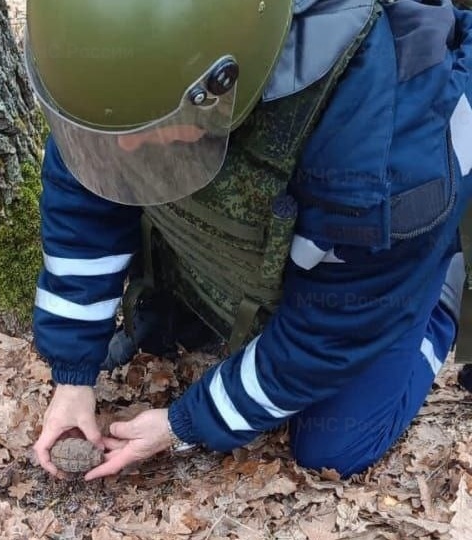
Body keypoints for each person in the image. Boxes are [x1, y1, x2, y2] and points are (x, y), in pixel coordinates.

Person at [25, 0, 472, 481]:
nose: (126, 147)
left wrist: (184, 424)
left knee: (335, 447)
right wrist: (72, 376)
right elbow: (83, 202)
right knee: (177, 329)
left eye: (144, 132)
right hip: (322, 222)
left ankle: (440, 291)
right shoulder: (118, 76)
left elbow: (331, 332)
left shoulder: (382, 159)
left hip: (389, 246)